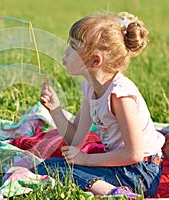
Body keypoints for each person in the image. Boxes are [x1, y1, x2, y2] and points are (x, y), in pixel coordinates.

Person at [38, 11, 165, 198]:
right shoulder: (90, 88)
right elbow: (75, 138)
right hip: (119, 166)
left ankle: (119, 194)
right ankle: (106, 188)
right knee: (45, 168)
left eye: (73, 46)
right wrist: (55, 109)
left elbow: (135, 153)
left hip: (140, 173)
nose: (65, 51)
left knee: (60, 172)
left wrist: (86, 159)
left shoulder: (119, 94)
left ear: (95, 60)